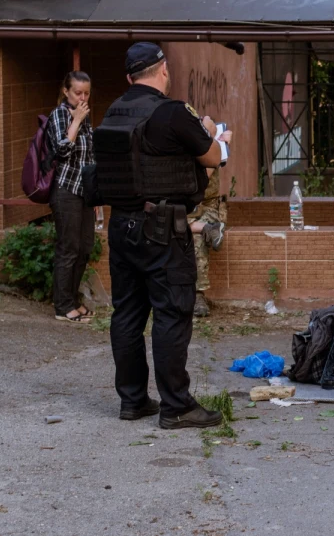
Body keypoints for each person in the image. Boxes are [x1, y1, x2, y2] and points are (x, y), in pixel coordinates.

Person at [94, 43, 232, 428]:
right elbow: (213, 156)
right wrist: (209, 132)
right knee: (171, 313)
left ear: (129, 78)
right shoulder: (172, 112)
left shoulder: (114, 111)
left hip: (122, 225)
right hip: (163, 229)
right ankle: (176, 406)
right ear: (164, 70)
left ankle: (133, 401)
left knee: (128, 314)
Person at [47, 70, 96, 324]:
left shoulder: (86, 117)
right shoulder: (60, 115)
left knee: (85, 247)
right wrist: (75, 121)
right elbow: (62, 150)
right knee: (68, 248)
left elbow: (90, 156)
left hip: (84, 191)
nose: (83, 98)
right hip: (65, 190)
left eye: (87, 93)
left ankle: (73, 299)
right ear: (66, 92)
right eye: (78, 93)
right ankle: (62, 305)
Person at [186, 168, 226, 317]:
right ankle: (206, 228)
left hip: (207, 206)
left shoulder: (211, 146)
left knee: (196, 239)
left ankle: (197, 295)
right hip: (181, 207)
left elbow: (200, 179)